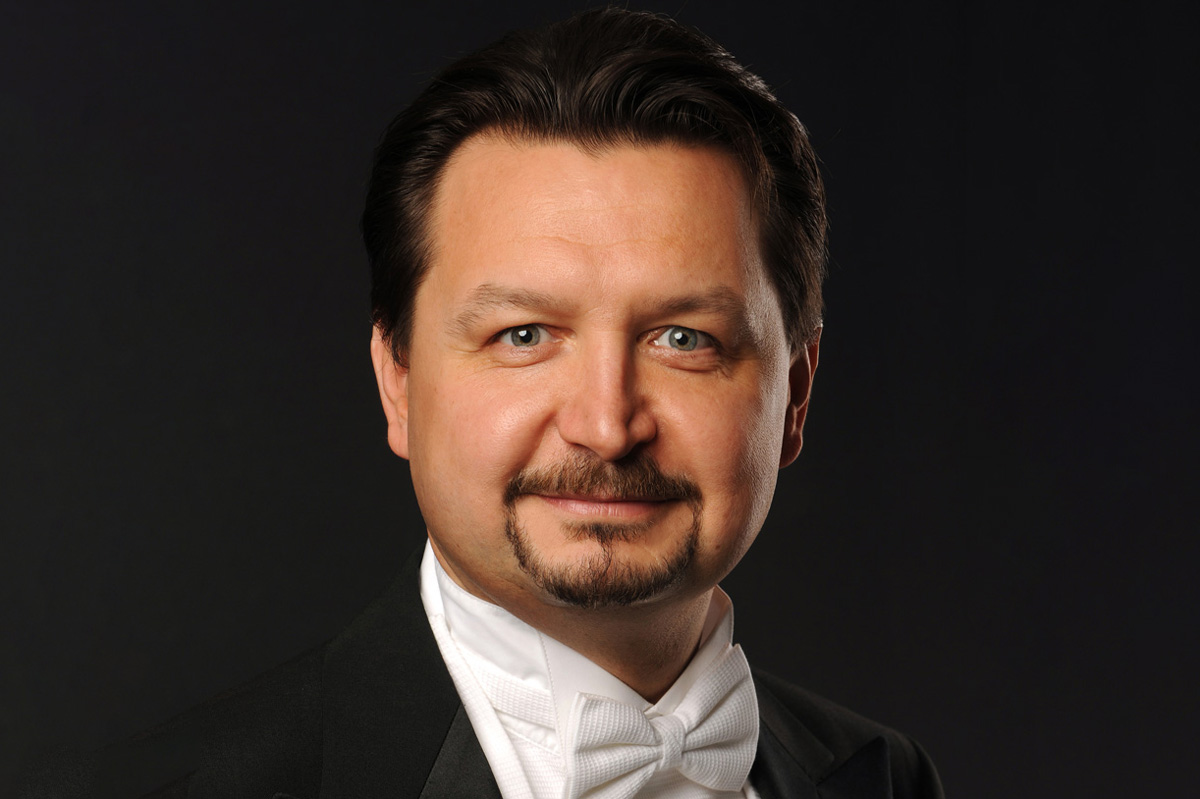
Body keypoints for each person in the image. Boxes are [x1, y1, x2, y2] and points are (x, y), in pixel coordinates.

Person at [24, 7, 942, 798]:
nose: (605, 425)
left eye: (682, 339)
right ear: (399, 380)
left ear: (796, 393)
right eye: (524, 335)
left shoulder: (886, 778)